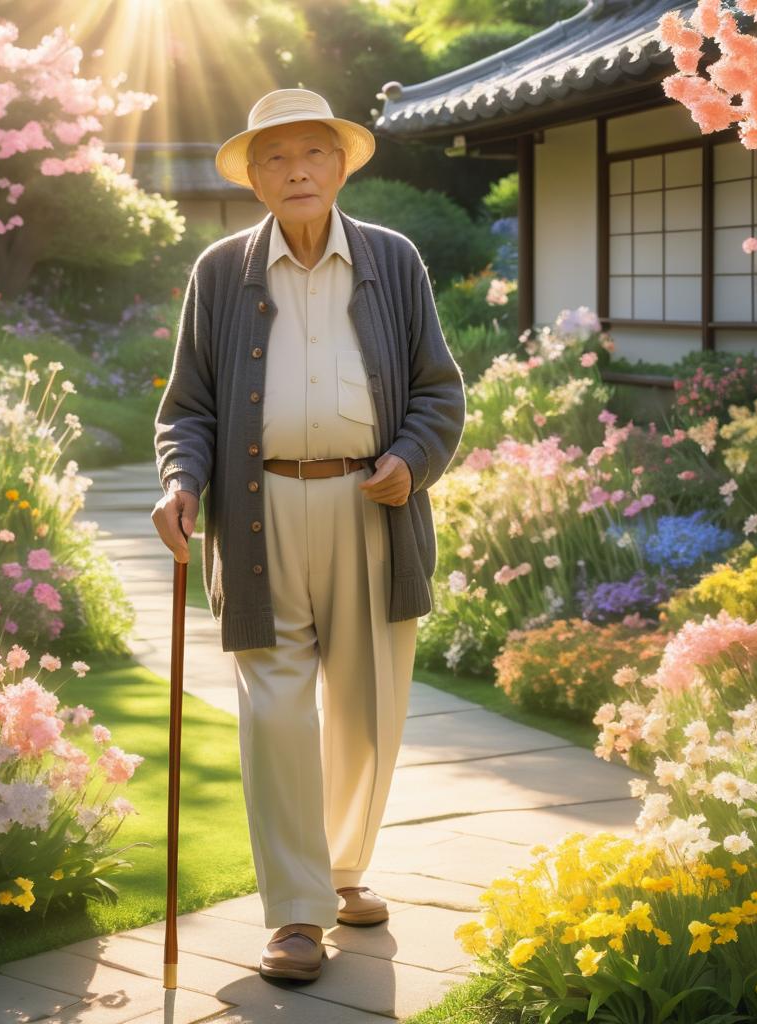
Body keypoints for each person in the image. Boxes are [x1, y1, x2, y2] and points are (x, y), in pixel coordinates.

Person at [151, 88, 467, 983]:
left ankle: (340, 871)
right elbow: (190, 409)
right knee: (278, 714)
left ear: (339, 166)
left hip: (373, 507)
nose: (296, 170)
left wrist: (413, 458)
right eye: (275, 157)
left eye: (313, 153)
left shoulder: (393, 262)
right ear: (253, 177)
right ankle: (295, 914)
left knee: (369, 707)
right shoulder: (220, 272)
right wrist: (182, 483)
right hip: (258, 516)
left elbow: (440, 391)